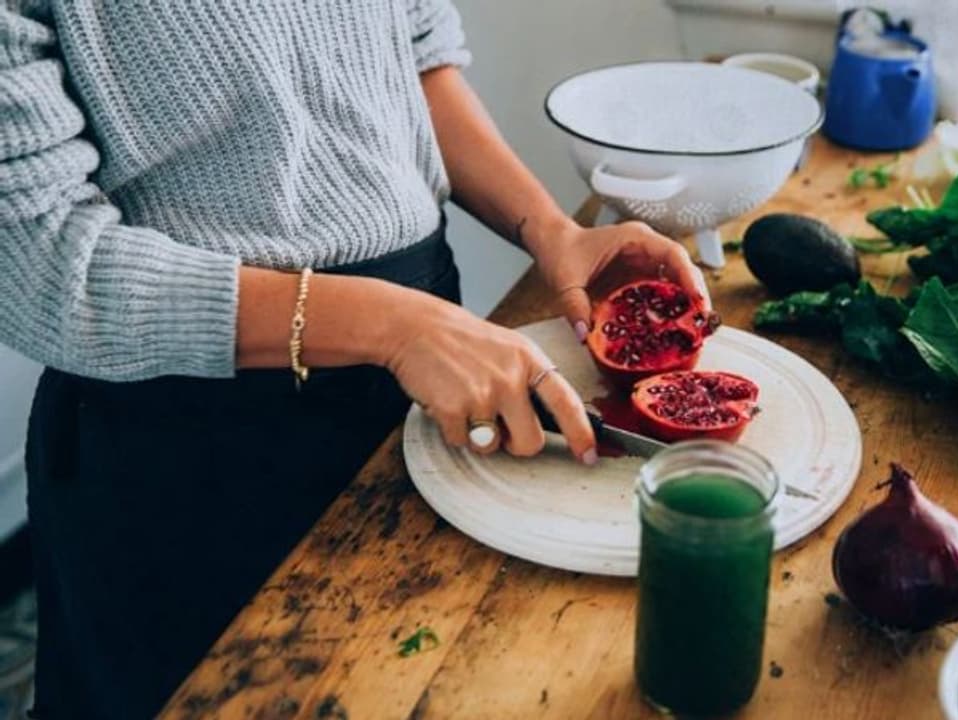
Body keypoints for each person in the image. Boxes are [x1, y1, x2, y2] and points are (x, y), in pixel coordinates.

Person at [0, 2, 707, 716]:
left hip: (425, 373)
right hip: (192, 447)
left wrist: (551, 231)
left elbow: (415, 60)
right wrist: (391, 326)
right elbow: (38, 266)